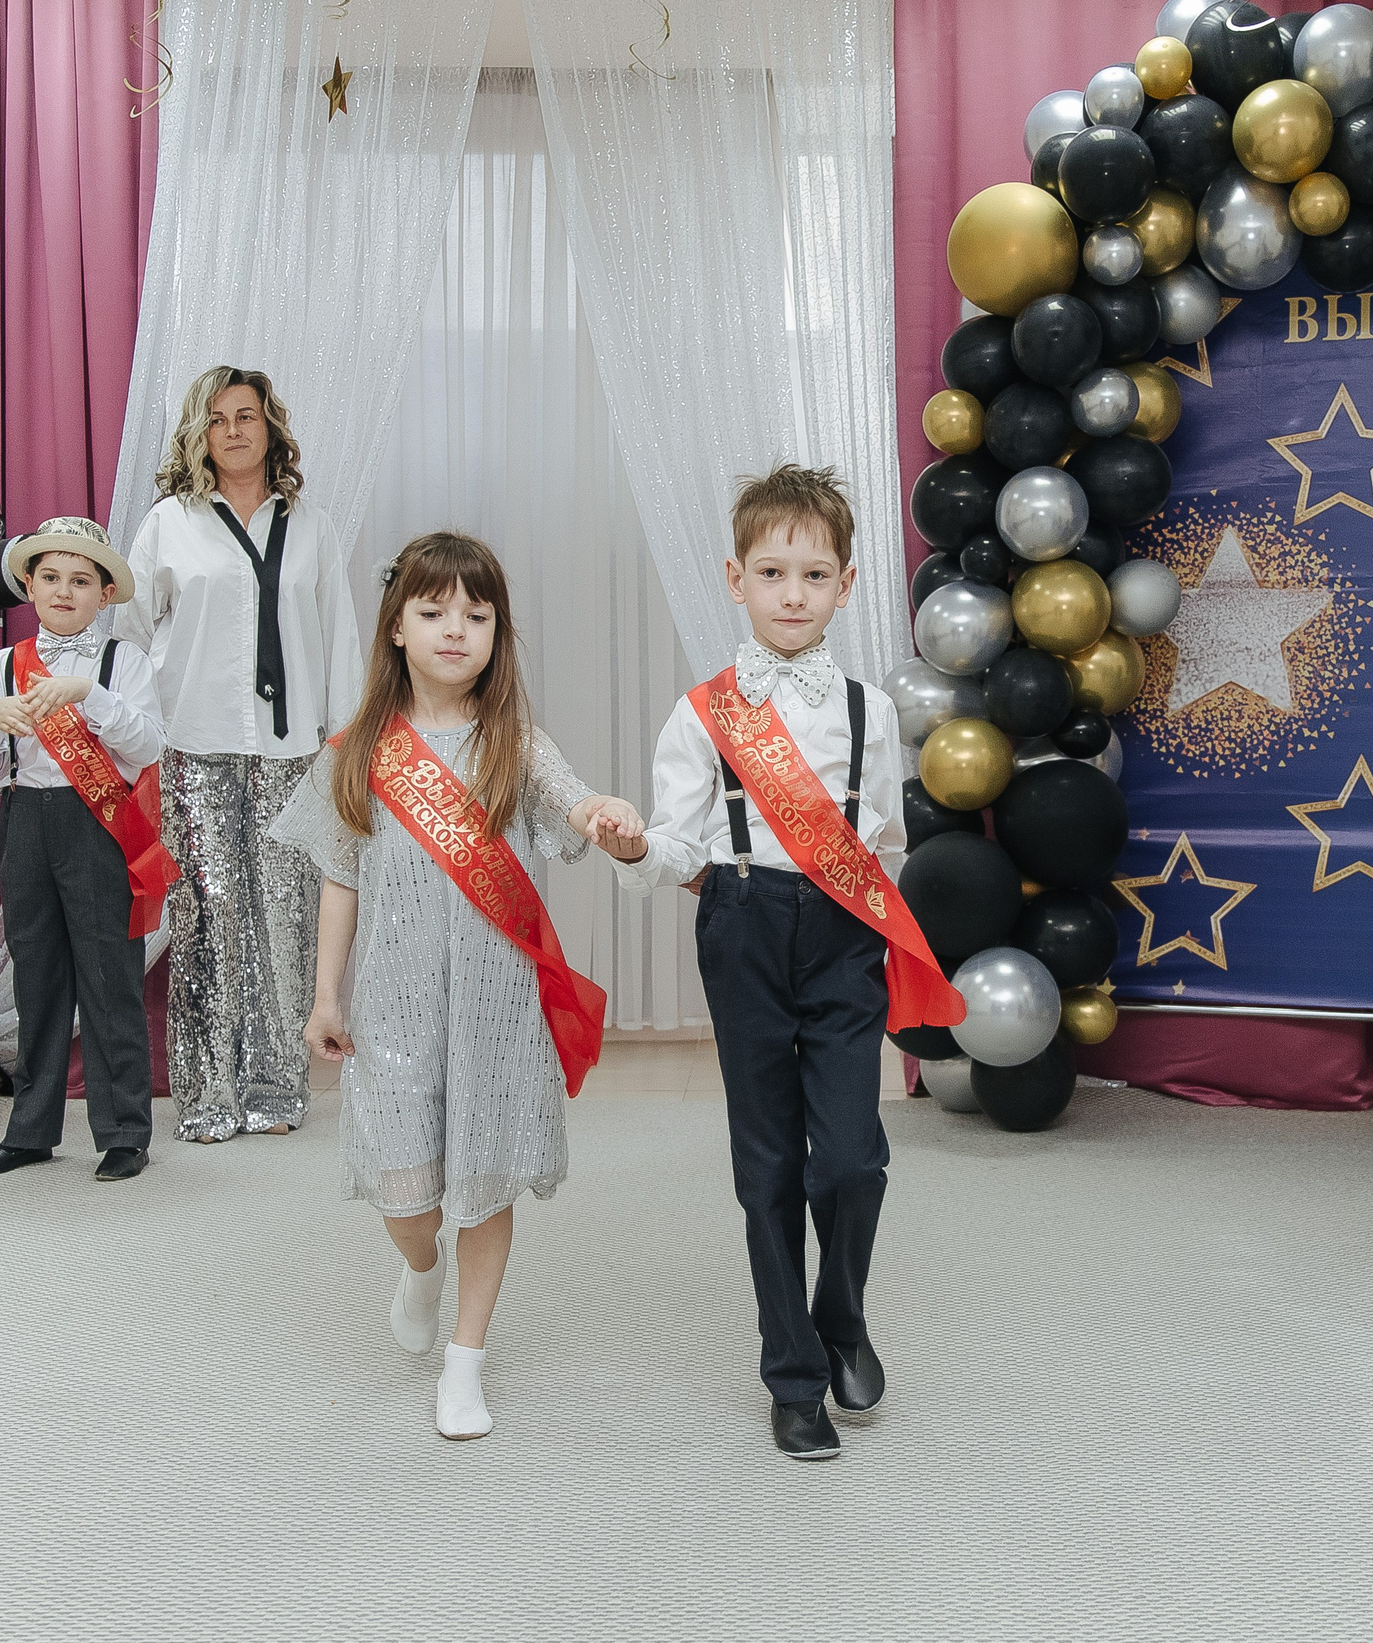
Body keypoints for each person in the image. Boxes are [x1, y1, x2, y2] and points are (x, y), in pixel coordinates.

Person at [599, 464, 963, 1461]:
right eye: (771, 572)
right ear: (734, 578)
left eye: (813, 574)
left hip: (842, 935)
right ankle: (791, 1373)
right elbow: (681, 849)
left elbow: (877, 840)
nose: (791, 594)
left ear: (846, 584)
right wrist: (636, 850)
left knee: (851, 1157)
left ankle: (839, 1314)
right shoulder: (700, 714)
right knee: (767, 1164)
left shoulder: (868, 710)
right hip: (744, 922)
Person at [271, 532, 640, 1441]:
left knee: (484, 1173)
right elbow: (341, 875)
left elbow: (575, 805)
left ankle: (465, 1360)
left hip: (496, 1002)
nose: (454, 630)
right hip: (392, 1002)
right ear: (396, 626)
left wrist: (608, 816)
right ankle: (421, 1266)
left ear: (496, 633)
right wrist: (326, 994)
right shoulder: (360, 750)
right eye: (434, 612)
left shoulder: (517, 742)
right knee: (407, 1193)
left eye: (476, 616)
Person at [114, 365, 364, 1144]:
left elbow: (338, 636)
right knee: (208, 919)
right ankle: (207, 1090)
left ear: (271, 427)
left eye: (247, 415)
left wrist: (342, 741)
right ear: (200, 432)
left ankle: (276, 1084)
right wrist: (146, 725)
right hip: (198, 745)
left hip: (292, 751)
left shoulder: (312, 524)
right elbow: (130, 634)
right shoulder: (169, 524)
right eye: (217, 417)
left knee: (285, 922)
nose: (233, 429)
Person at [0, 518, 171, 1184]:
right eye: (51, 577)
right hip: (26, 822)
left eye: (81, 580)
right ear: (29, 584)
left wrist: (89, 695)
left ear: (105, 594)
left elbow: (148, 747)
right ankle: (31, 1129)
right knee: (36, 975)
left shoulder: (122, 663)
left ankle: (125, 1129)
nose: (64, 590)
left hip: (97, 825)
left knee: (110, 974)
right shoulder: (3, 666)